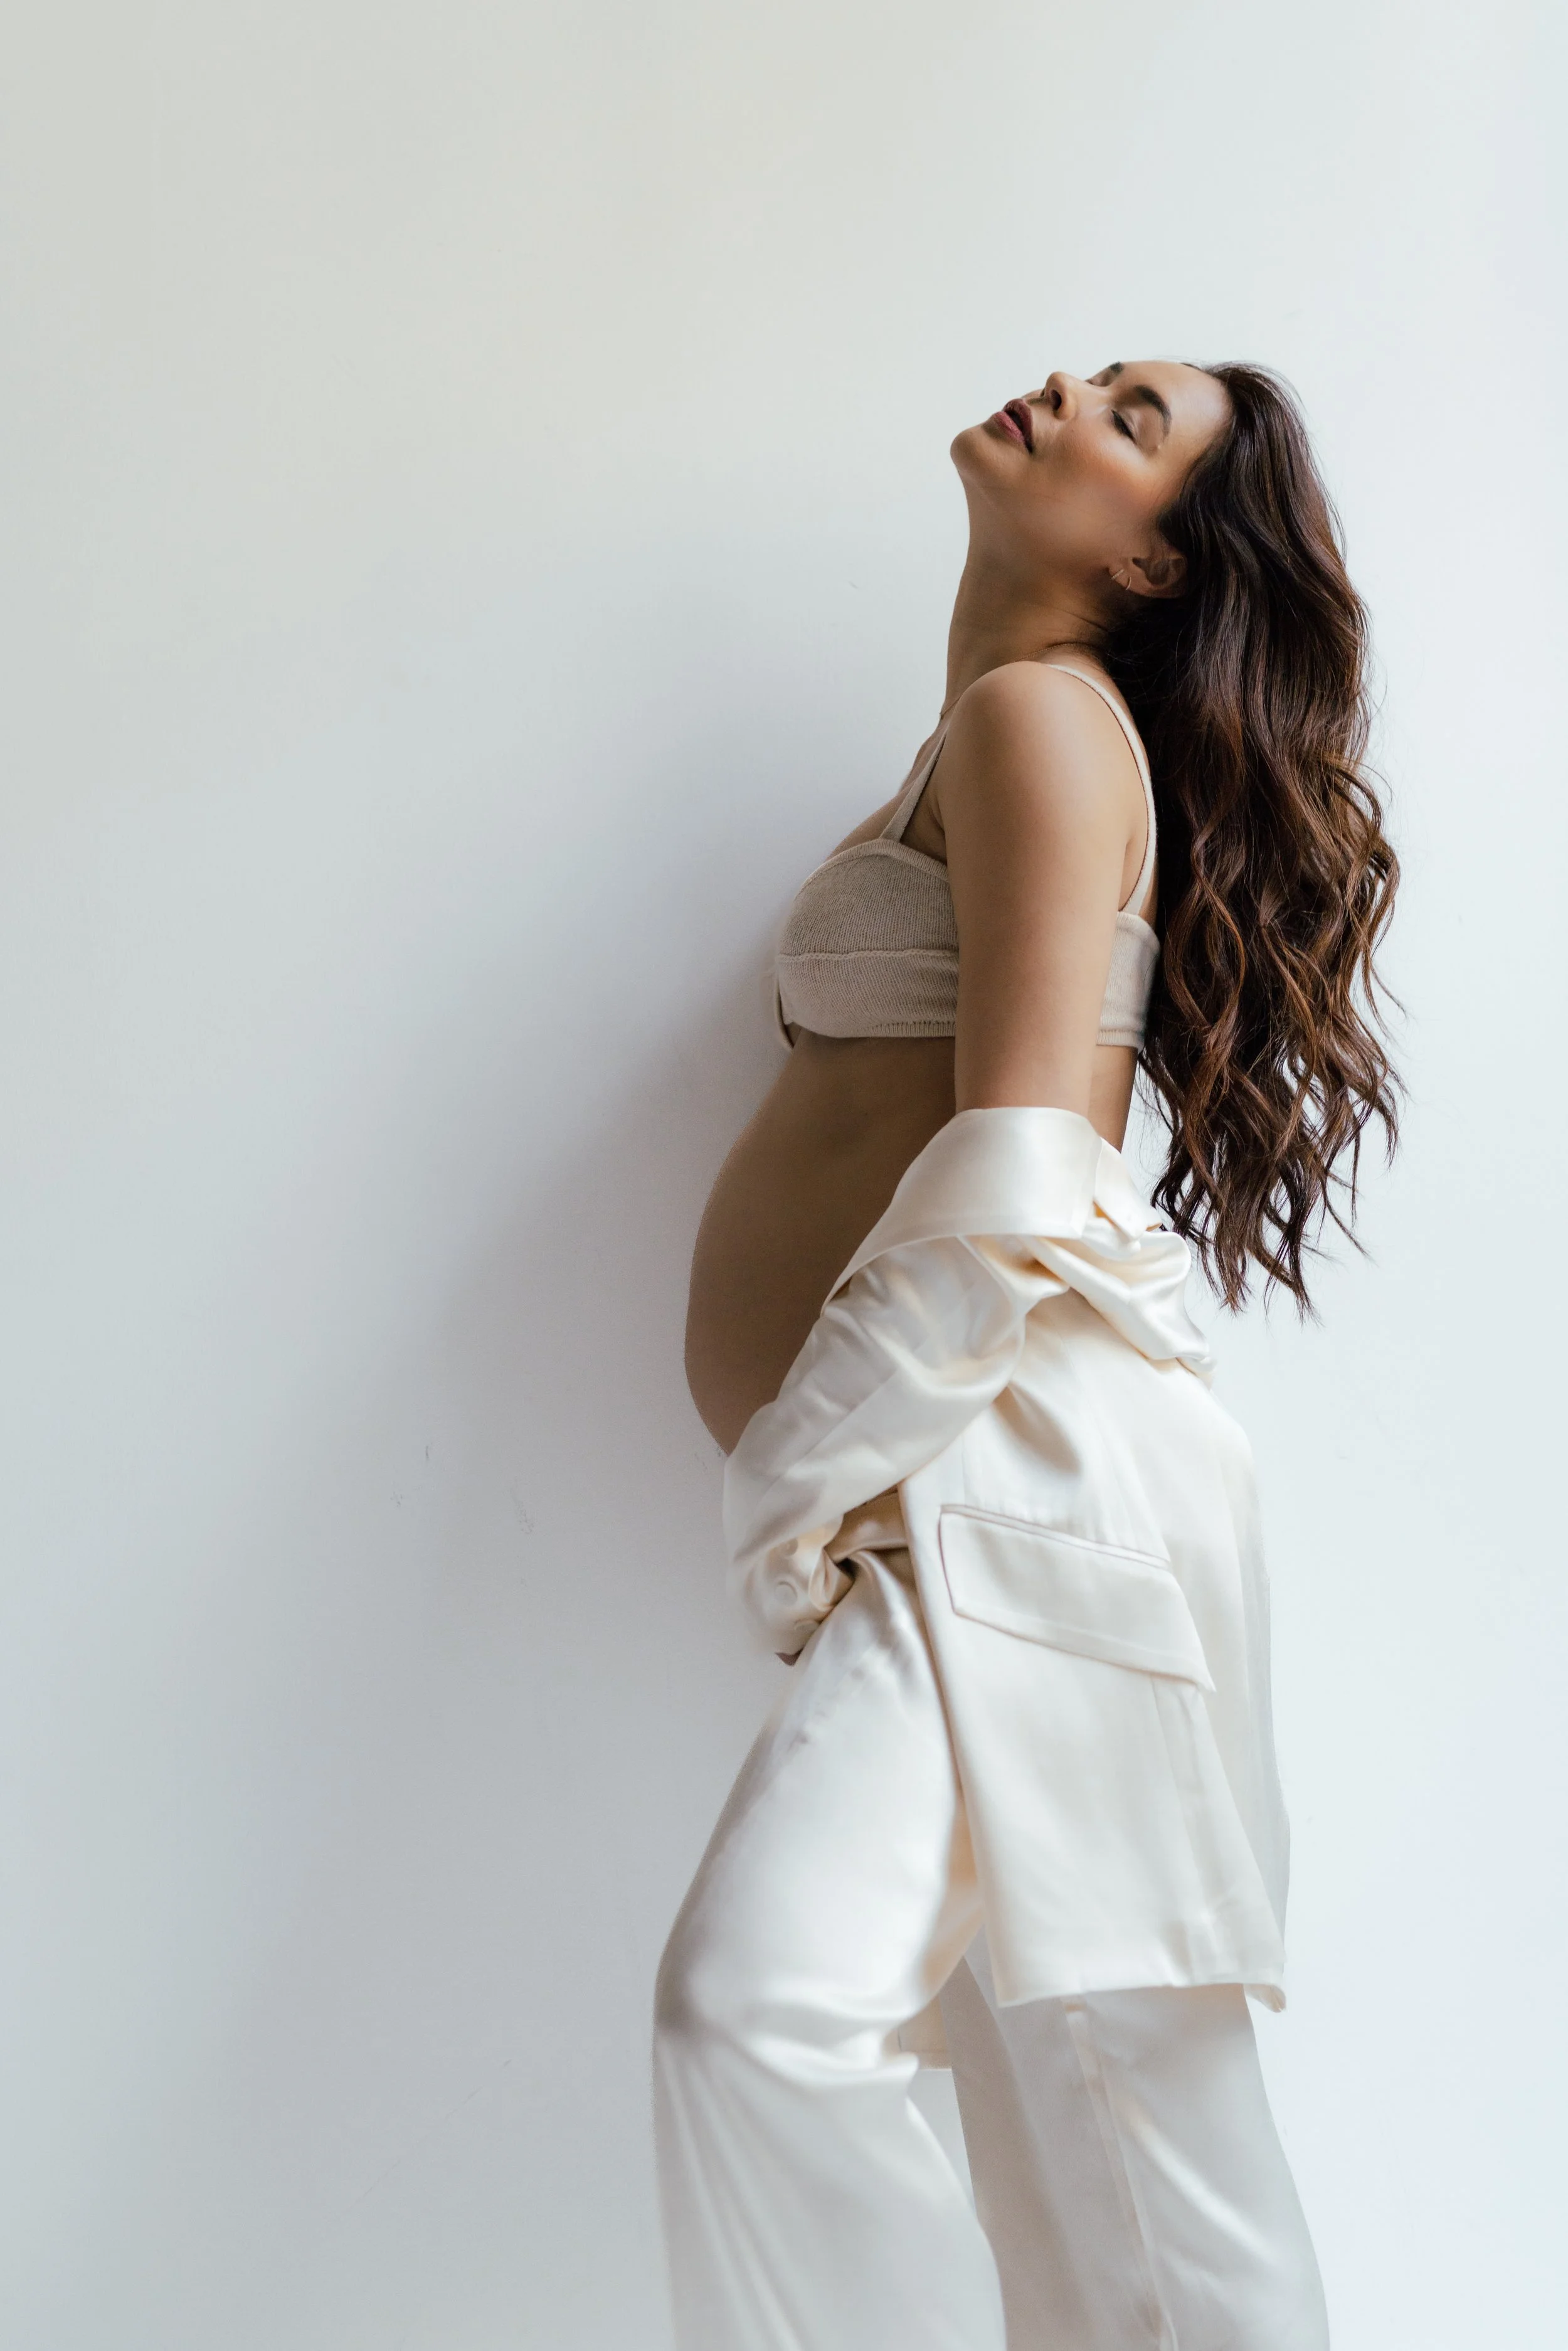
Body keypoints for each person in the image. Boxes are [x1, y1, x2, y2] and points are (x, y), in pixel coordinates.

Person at [655, 360, 1399, 2350]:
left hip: (999, 1463)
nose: (1066, 385)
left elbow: (1020, 1168)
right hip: (973, 1459)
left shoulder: (1037, 724)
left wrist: (791, 1487)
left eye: (1130, 413)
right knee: (1098, 2130)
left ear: (1152, 549)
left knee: (798, 2014)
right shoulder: (990, 728)